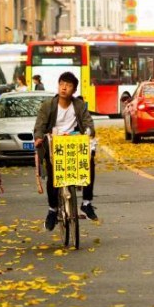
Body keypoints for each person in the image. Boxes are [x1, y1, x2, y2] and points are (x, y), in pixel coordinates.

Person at [34, 71, 97, 230]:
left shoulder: (79, 105)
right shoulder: (48, 105)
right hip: (53, 143)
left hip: (73, 142)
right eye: (62, 84)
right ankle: (52, 210)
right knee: (53, 176)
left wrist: (89, 133)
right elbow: (39, 126)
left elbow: (88, 122)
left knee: (89, 161)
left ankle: (87, 203)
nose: (64, 88)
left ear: (74, 90)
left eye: (68, 86)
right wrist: (39, 137)